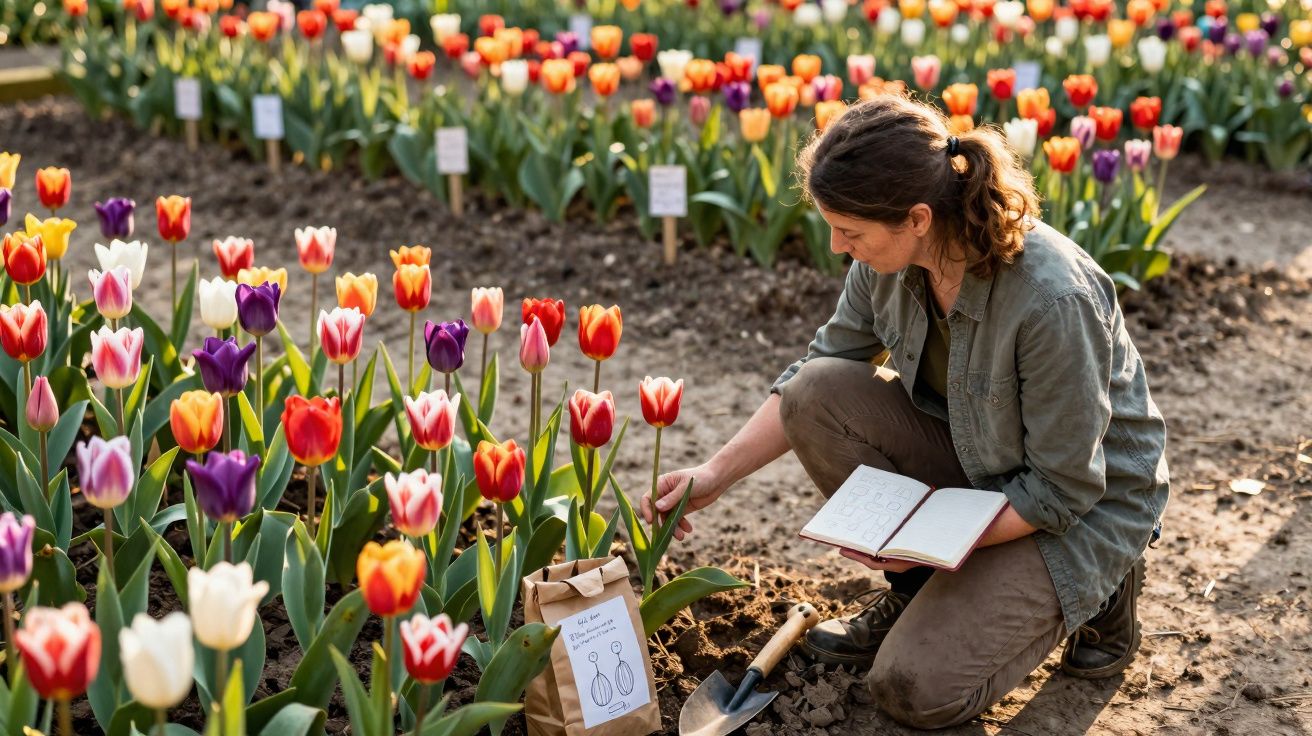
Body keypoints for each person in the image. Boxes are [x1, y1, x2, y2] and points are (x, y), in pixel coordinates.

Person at [642, 93, 1169, 730]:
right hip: (979, 455)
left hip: (1079, 507)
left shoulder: (1050, 299)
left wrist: (923, 540)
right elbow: (817, 372)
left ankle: (1104, 591)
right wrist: (714, 474)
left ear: (918, 217)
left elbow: (1063, 488)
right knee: (818, 393)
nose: (838, 246)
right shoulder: (887, 263)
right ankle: (923, 590)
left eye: (852, 231)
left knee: (910, 691)